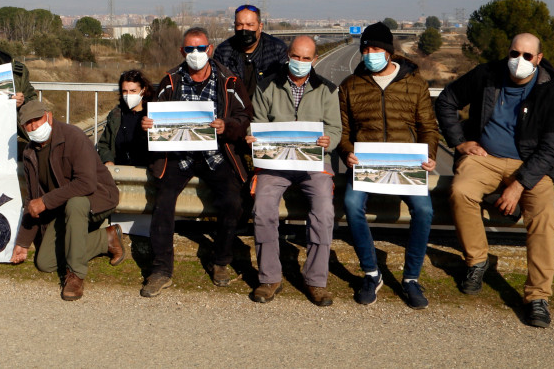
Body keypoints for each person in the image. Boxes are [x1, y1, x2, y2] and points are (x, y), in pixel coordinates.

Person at [435, 33, 554, 328]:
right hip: (485, 157)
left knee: (543, 216)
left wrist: (519, 185)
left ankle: (537, 296)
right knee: (460, 191)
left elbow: (552, 148)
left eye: (527, 56)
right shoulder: (487, 76)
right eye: (514, 53)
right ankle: (477, 261)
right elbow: (447, 101)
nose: (518, 61)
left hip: (532, 164)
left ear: (539, 59)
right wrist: (459, 143)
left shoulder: (551, 93)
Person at [141, 28, 252, 297]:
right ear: (182, 51)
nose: (195, 54)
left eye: (200, 48)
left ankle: (221, 261)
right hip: (179, 156)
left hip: (217, 154)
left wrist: (227, 126)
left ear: (210, 49)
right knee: (163, 202)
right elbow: (155, 116)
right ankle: (161, 270)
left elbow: (245, 117)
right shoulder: (170, 81)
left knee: (232, 202)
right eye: (190, 49)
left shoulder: (229, 80)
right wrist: (148, 125)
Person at [339, 22, 439, 309]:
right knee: (351, 203)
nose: (371, 54)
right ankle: (371, 273)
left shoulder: (415, 83)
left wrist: (430, 155)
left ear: (389, 52)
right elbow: (344, 133)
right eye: (366, 49)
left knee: (424, 209)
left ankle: (411, 278)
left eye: (377, 49)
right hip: (365, 165)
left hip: (407, 165)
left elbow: (428, 127)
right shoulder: (350, 86)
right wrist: (347, 152)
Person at [245, 36, 341, 306]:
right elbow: (257, 122)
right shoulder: (267, 86)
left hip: (314, 164)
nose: (300, 62)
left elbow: (335, 129)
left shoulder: (327, 90)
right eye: (296, 56)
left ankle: (316, 281)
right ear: (288, 55)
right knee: (262, 210)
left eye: (306, 58)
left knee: (323, 212)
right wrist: (253, 136)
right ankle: (269, 278)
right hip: (275, 163)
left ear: (315, 60)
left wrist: (328, 141)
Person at [10, 101, 124, 301]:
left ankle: (76, 275)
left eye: (38, 119)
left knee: (76, 202)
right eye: (28, 124)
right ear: (22, 128)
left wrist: (45, 201)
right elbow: (32, 199)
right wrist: (23, 242)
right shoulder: (29, 153)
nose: (34, 126)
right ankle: (106, 239)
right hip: (61, 206)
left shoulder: (74, 137)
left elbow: (86, 184)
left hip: (97, 197)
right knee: (45, 262)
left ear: (49, 116)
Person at [213, 4, 289, 99]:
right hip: (235, 109)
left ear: (260, 26)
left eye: (250, 25)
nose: (244, 29)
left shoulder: (277, 49)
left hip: (267, 109)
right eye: (239, 25)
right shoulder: (223, 51)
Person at [95, 69, 153, 167]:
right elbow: (103, 144)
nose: (128, 95)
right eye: (125, 91)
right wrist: (108, 160)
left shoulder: (151, 114)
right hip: (120, 171)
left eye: (133, 91)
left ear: (143, 90)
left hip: (146, 172)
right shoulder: (116, 115)